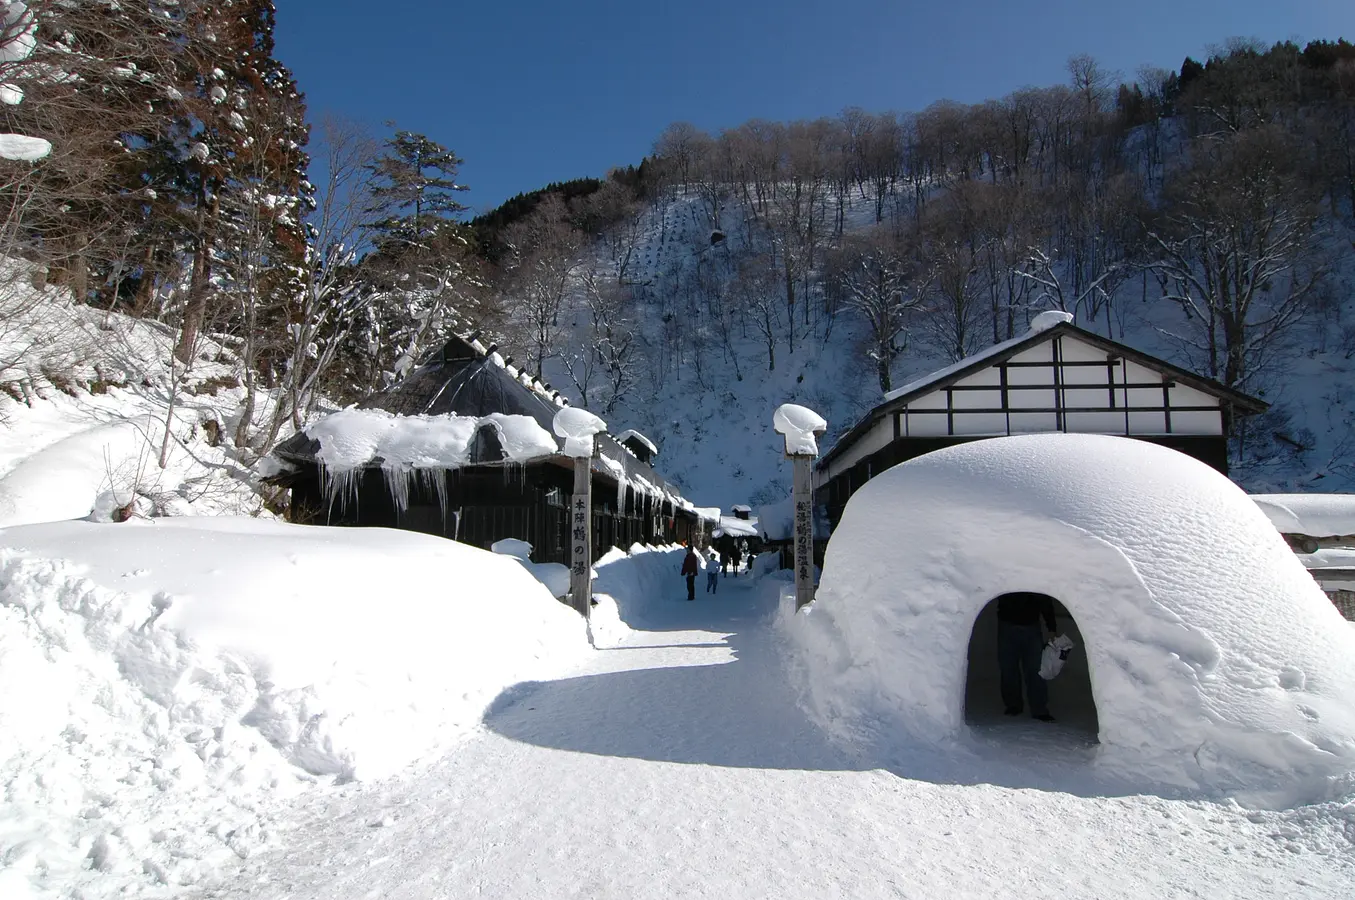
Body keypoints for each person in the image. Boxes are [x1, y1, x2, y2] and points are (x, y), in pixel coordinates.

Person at [995, 591, 1058, 721]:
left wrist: (1051, 627)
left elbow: (1044, 599)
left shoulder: (1033, 575)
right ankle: (1013, 705)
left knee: (1035, 669)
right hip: (1007, 625)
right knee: (1008, 667)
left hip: (1031, 626)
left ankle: (1039, 708)